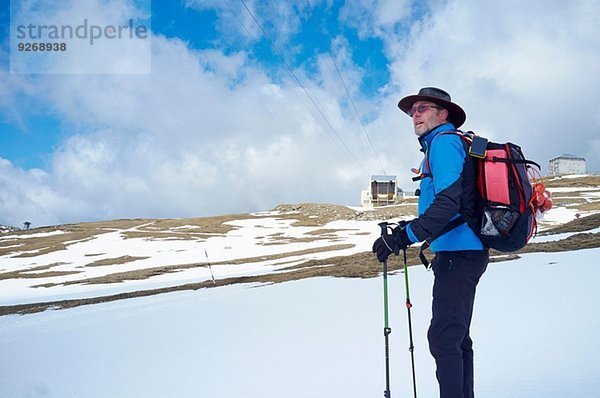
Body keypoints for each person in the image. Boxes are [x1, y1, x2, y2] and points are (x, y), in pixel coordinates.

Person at [372, 87, 489, 398]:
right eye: (413, 111)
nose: (416, 115)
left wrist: (404, 236)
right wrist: (407, 230)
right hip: (460, 251)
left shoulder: (445, 143)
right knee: (456, 337)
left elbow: (448, 202)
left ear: (443, 114)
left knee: (443, 338)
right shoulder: (440, 145)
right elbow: (447, 200)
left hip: (460, 253)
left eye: (423, 108)